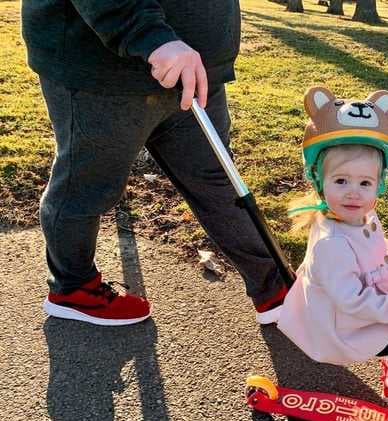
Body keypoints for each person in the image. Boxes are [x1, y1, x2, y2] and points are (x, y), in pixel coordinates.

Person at [21, 1, 287, 326]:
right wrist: (152, 37)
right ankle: (73, 290)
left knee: (219, 183)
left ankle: (276, 290)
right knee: (86, 186)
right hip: (103, 72)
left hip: (196, 71)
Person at [276, 86, 388, 416]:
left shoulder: (363, 217)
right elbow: (352, 300)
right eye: (340, 181)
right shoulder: (331, 244)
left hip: (365, 308)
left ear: (378, 184)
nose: (353, 193)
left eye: (364, 184)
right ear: (318, 180)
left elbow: (379, 255)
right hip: (342, 325)